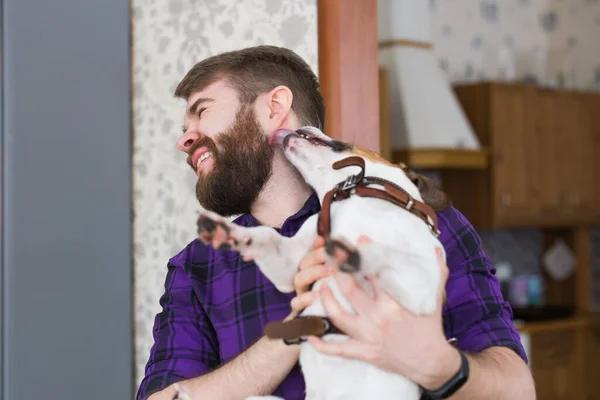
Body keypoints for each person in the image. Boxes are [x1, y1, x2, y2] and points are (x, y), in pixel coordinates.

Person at [136, 45, 535, 400]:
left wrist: (438, 365)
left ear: (274, 107)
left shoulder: (417, 218)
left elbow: (518, 389)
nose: (184, 139)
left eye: (202, 111)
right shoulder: (198, 267)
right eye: (184, 127)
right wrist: (300, 327)